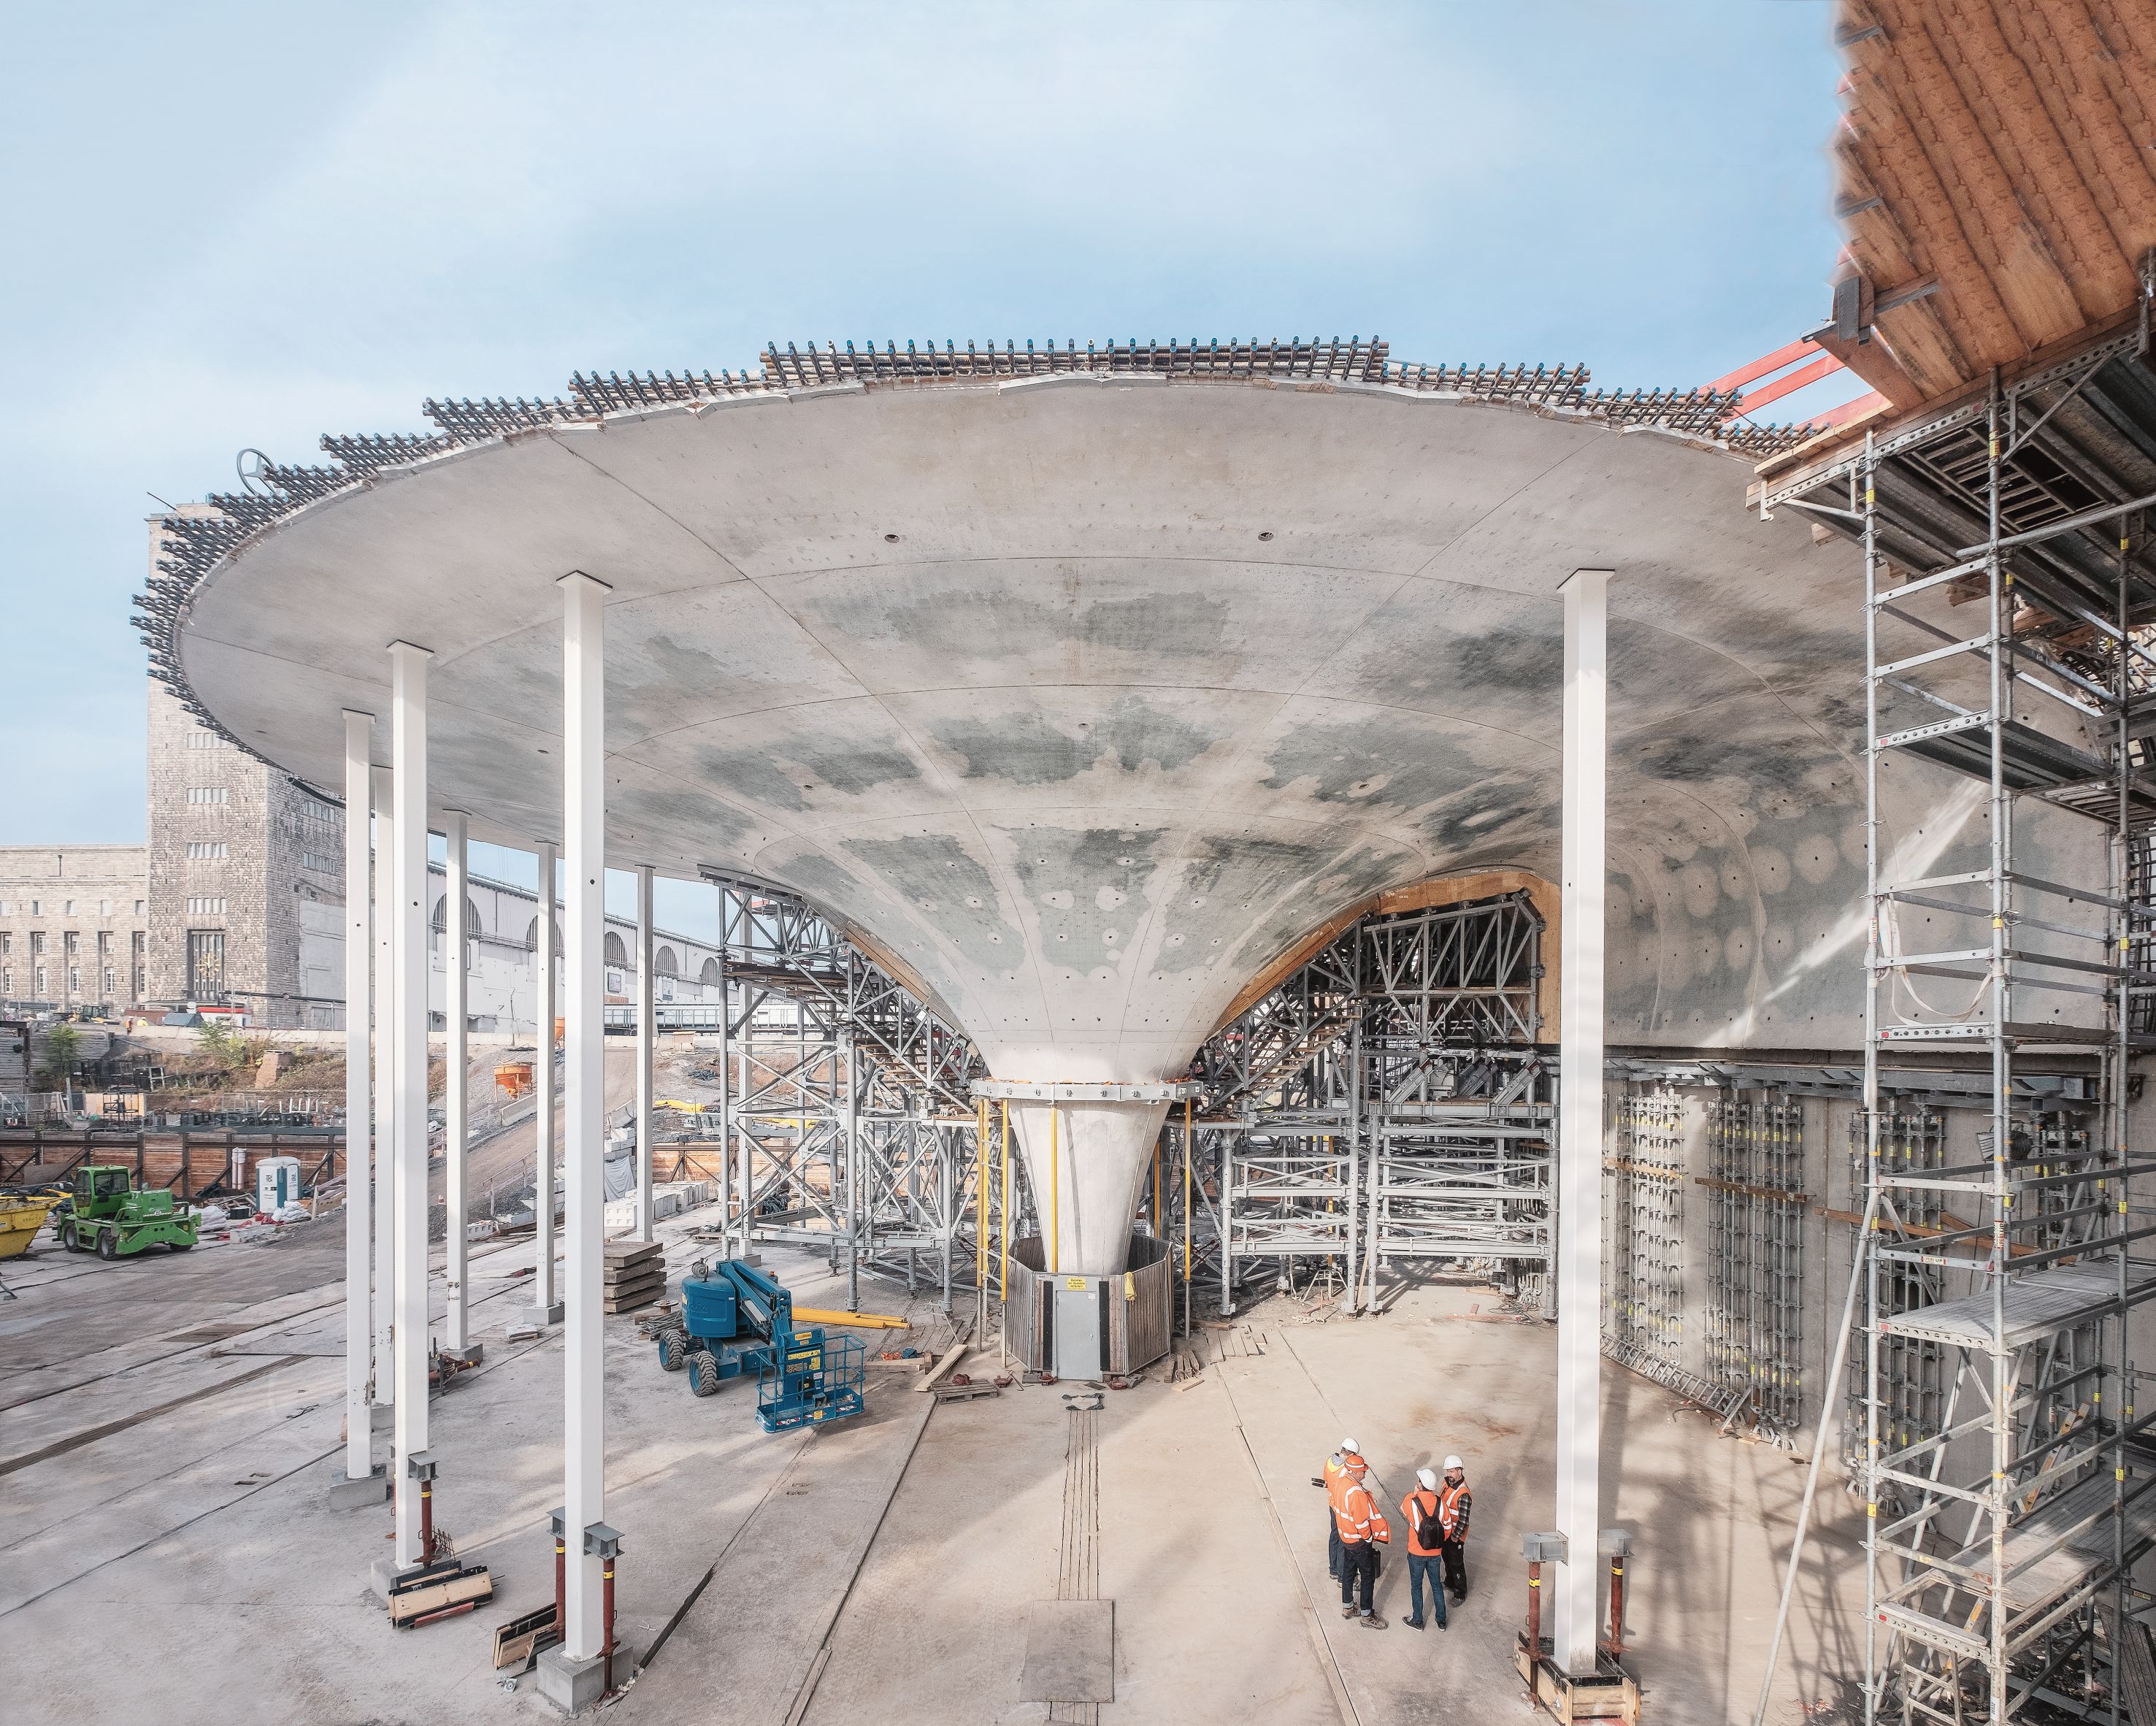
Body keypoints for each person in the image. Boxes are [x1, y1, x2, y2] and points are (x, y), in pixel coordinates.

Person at [1334, 1451, 1391, 1628]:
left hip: (1346, 1538)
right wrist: (1368, 1538)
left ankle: (1348, 1607)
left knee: (1348, 1573)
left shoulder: (1340, 1483)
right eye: (1363, 1472)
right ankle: (1366, 1615)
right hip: (1358, 1541)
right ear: (1356, 1472)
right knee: (1367, 1576)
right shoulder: (1357, 1493)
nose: (1365, 1474)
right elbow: (1361, 1522)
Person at [1400, 1467, 1448, 1631]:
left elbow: (1402, 1508)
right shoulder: (1441, 1503)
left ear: (1421, 1484)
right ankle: (1441, 1621)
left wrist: (1413, 1493)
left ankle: (1418, 1621)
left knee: (1416, 1586)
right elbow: (1447, 1527)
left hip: (1416, 1552)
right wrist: (1438, 1542)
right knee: (1436, 1585)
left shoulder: (1412, 1502)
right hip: (1435, 1553)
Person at [1437, 1455, 1473, 1606]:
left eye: (1451, 1471)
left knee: (1456, 1564)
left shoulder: (1463, 1494)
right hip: (1446, 1532)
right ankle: (1449, 1582)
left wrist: (1455, 1537)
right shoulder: (1447, 1485)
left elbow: (1463, 1520)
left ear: (1459, 1471)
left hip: (1454, 1536)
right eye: (1447, 1471)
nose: (1448, 1475)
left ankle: (1460, 1593)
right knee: (1447, 1559)